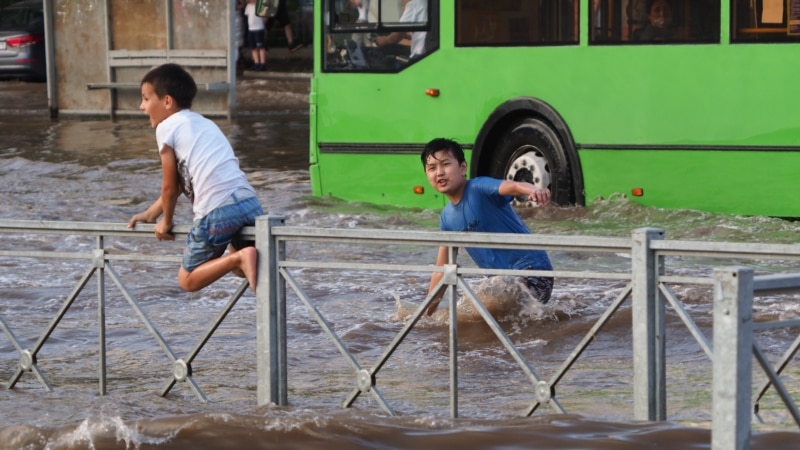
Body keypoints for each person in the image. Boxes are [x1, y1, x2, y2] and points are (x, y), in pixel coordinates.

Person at [128, 63, 263, 293]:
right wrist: (152, 214)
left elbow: (170, 186)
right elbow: (183, 182)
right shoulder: (203, 123)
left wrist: (167, 222)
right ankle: (240, 259)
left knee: (188, 279)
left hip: (217, 209)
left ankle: (239, 258)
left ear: (167, 101)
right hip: (249, 203)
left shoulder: (166, 127)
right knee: (245, 270)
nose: (142, 106)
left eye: (146, 99)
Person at [421, 138, 554, 315]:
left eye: (445, 164)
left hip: (534, 272)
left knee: (487, 305)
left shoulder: (478, 188)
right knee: (479, 314)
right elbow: (441, 272)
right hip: (502, 283)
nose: (439, 173)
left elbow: (513, 186)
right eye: (432, 168)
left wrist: (534, 191)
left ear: (462, 168)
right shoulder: (446, 218)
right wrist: (424, 315)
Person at [244, 0, 267, 71]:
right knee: (253, 47)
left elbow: (264, 17)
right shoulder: (248, 6)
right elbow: (248, 16)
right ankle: (256, 63)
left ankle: (262, 63)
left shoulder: (260, 5)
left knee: (260, 46)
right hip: (251, 29)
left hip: (259, 28)